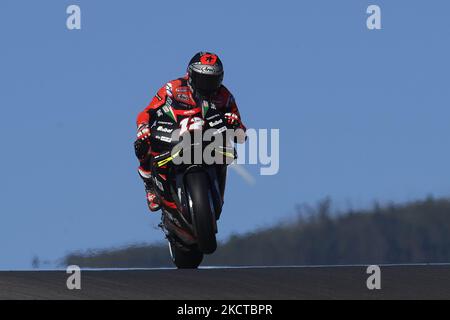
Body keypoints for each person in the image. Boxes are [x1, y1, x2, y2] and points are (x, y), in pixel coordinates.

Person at [134, 52, 246, 212]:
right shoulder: (173, 88)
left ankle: (217, 193)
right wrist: (143, 127)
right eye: (203, 80)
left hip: (209, 140)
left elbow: (242, 135)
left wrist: (234, 123)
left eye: (212, 80)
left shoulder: (225, 96)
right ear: (190, 75)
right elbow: (147, 112)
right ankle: (150, 186)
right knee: (142, 144)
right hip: (176, 133)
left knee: (228, 154)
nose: (207, 85)